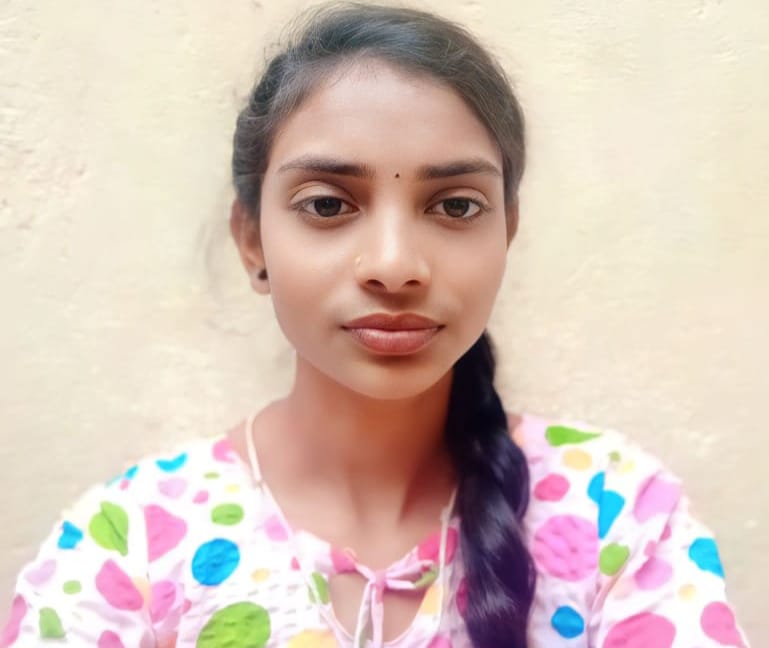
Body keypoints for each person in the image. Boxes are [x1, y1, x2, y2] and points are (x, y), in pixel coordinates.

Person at [0, 3, 749, 647]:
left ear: (507, 231)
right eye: (328, 204)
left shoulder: (618, 520)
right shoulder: (127, 548)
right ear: (252, 240)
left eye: (455, 206)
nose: (394, 266)